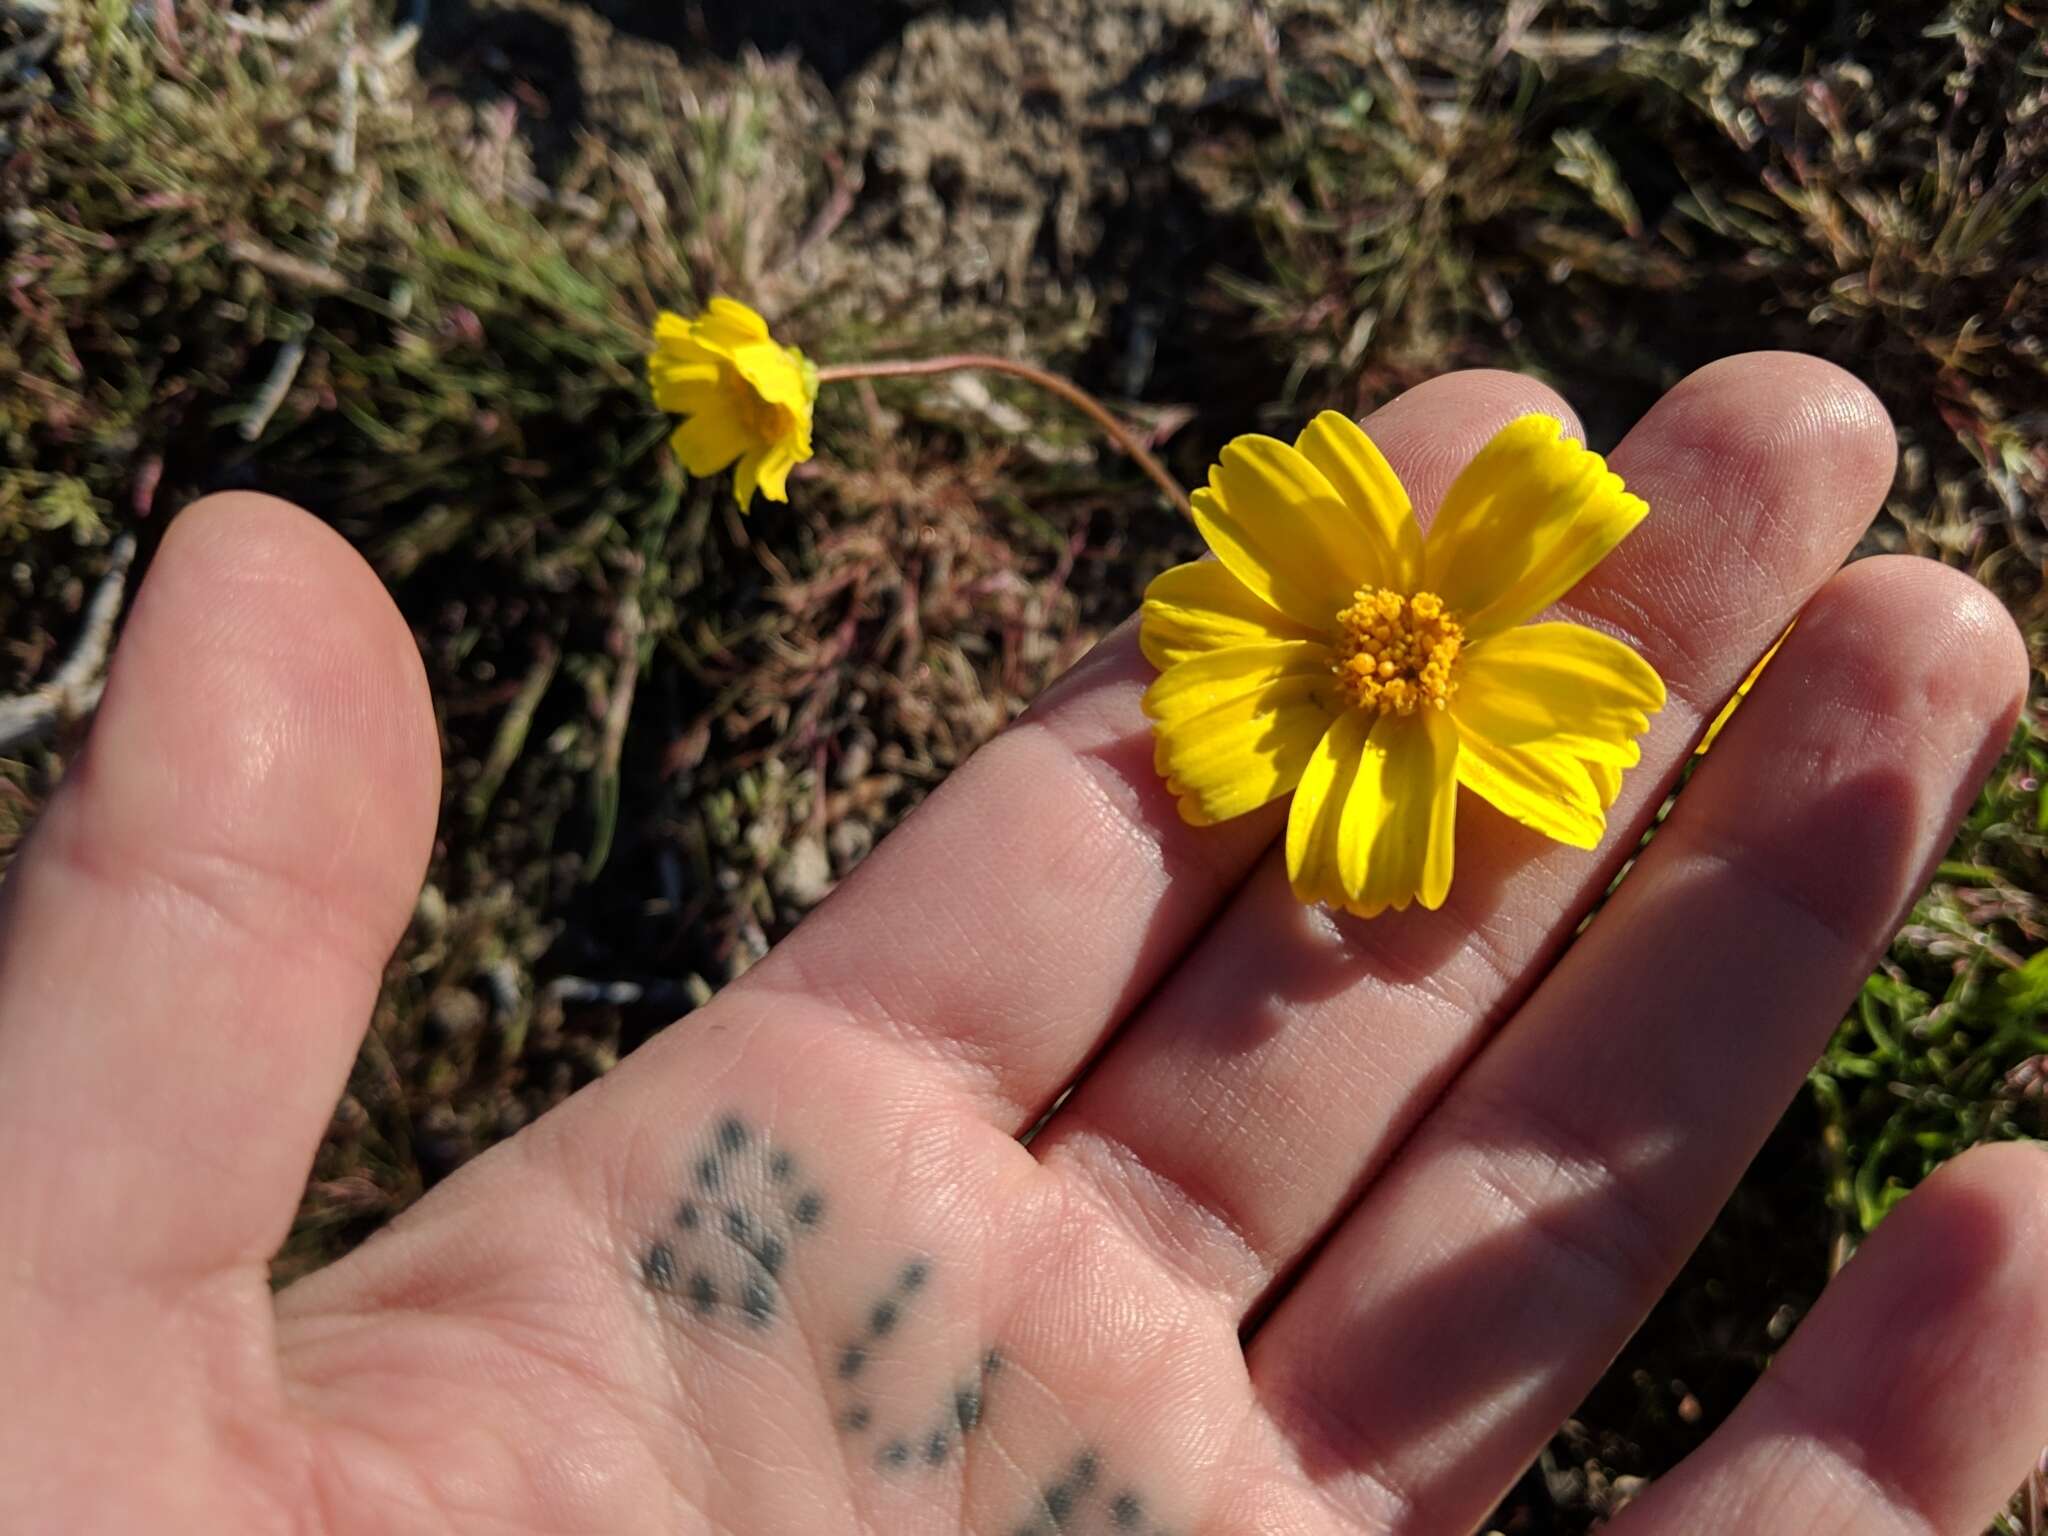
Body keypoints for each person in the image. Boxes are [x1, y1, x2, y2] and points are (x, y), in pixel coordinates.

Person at [1, 356, 2042, 1536]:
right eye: (1394, 640)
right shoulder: (1326, 674)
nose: (1399, 644)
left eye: (1407, 643)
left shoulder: (1430, 690)